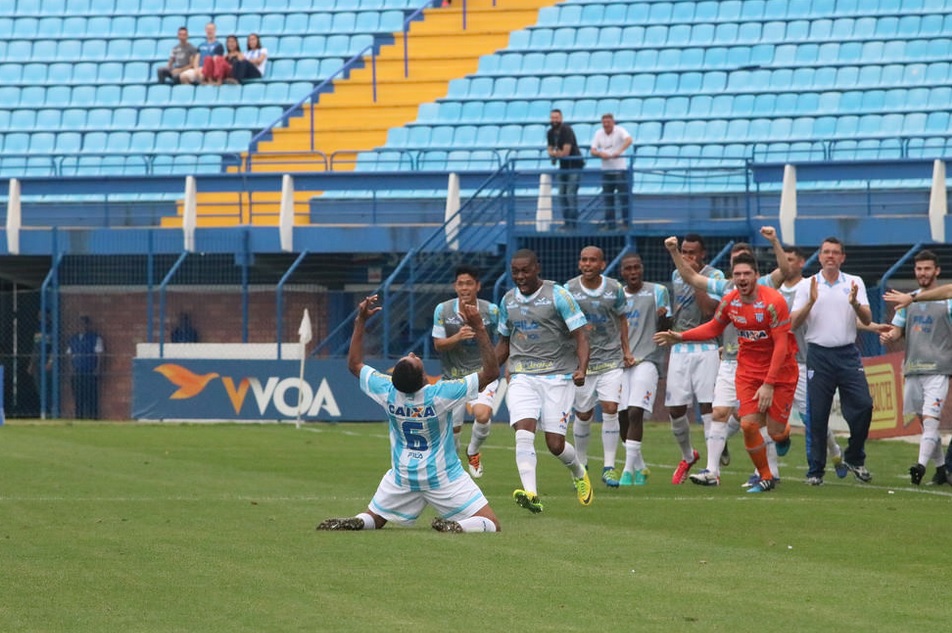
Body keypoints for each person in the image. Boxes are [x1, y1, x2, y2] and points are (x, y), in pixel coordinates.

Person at [318, 294, 501, 533]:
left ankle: (361, 520)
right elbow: (490, 373)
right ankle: (457, 525)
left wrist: (360, 321)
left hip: (403, 476)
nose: (414, 354)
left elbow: (354, 365)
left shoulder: (388, 391)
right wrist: (479, 328)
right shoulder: (441, 394)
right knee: (491, 524)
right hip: (443, 477)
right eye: (414, 359)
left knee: (378, 517)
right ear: (423, 376)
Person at [655, 252, 798, 493]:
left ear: (757, 276)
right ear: (733, 277)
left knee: (773, 430)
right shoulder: (731, 300)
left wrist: (770, 383)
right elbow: (714, 326)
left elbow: (782, 345)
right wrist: (681, 336)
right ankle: (765, 477)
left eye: (747, 274)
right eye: (738, 274)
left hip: (780, 371)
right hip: (747, 370)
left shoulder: (773, 302)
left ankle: (783, 434)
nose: (742, 278)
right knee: (749, 425)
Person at [496, 248, 592, 513]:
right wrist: (488, 373)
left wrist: (582, 368)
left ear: (537, 267)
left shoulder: (558, 295)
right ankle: (531, 493)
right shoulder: (508, 301)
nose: (520, 276)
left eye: (525, 270)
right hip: (522, 375)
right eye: (515, 271)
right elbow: (504, 342)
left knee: (555, 445)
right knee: (523, 431)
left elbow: (581, 336)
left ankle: (578, 471)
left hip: (558, 377)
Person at [791, 237, 874, 485]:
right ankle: (815, 471)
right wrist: (812, 301)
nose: (830, 256)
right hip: (818, 354)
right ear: (819, 256)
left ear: (842, 257)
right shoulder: (807, 285)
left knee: (864, 406)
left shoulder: (854, 282)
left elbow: (867, 320)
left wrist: (855, 303)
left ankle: (855, 457)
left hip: (847, 353)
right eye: (826, 252)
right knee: (817, 415)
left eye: (835, 252)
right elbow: (794, 323)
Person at [880, 251, 951, 486]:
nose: (923, 273)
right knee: (925, 424)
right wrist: (889, 336)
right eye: (919, 269)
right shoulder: (906, 301)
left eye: (927, 268)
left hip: (939, 368)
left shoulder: (946, 298)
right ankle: (941, 469)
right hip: (913, 368)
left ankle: (920, 466)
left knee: (931, 420)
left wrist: (913, 298)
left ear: (937, 271)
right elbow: (898, 331)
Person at [778, 246, 848, 481]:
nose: (785, 265)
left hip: (803, 361)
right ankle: (768, 470)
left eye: (790, 260)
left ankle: (835, 452)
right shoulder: (773, 291)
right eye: (783, 260)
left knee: (812, 418)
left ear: (800, 263)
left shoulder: (811, 287)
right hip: (776, 363)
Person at [565, 246, 629, 487]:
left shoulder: (614, 289)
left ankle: (609, 467)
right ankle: (581, 465)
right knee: (583, 413)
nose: (587, 264)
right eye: (583, 259)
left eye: (592, 260)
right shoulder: (569, 290)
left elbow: (622, 319)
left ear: (603, 264)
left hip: (610, 359)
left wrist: (627, 350)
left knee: (611, 408)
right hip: (582, 363)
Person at [431, 265, 501, 478]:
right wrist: (457, 337)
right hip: (453, 377)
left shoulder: (491, 311)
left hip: (481, 375)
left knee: (482, 414)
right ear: (455, 286)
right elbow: (438, 345)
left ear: (477, 286)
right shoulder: (443, 310)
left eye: (469, 283)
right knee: (452, 434)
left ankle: (474, 451)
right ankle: (455, 459)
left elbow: (501, 342)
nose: (464, 288)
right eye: (460, 283)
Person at [665, 234, 723, 484]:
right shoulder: (676, 274)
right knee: (675, 409)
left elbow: (710, 310)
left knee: (708, 407)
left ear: (703, 254)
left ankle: (712, 469)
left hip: (706, 346)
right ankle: (688, 456)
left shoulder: (716, 276)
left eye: (692, 252)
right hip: (680, 346)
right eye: (684, 252)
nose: (688, 257)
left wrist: (697, 280)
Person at [617, 253, 671, 486]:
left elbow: (667, 327)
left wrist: (664, 318)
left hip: (647, 360)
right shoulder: (616, 295)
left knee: (635, 412)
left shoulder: (658, 291)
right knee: (621, 418)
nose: (633, 272)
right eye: (628, 269)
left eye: (636, 267)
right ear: (622, 272)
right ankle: (641, 467)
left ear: (642, 268)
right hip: (620, 362)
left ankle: (628, 471)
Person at [590, 113, 633, 231]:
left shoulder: (620, 131)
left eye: (608, 122)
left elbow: (629, 140)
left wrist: (619, 151)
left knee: (623, 198)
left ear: (613, 122)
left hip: (619, 170)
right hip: (606, 171)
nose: (606, 125)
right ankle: (610, 224)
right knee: (608, 199)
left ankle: (626, 223)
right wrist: (600, 153)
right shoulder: (599, 133)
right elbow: (592, 150)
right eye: (604, 122)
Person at [546, 109, 583, 230]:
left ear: (561, 118)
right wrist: (556, 153)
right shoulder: (550, 132)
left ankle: (573, 224)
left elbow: (566, 152)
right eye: (552, 118)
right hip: (563, 167)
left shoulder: (567, 130)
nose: (554, 120)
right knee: (561, 195)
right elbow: (549, 149)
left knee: (570, 194)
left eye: (556, 117)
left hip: (574, 165)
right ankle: (567, 222)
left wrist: (555, 154)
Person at [67, 316, 104, 419]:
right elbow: (70, 355)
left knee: (91, 396)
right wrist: (71, 369)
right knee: (78, 397)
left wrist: (97, 369)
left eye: (83, 324)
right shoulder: (73, 339)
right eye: (79, 324)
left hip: (90, 370)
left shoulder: (95, 338)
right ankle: (79, 417)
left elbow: (99, 354)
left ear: (88, 325)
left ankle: (93, 417)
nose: (81, 327)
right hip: (77, 371)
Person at [28, 311, 54, 418]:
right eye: (39, 316)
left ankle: (50, 411)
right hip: (37, 363)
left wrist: (50, 362)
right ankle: (44, 411)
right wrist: (31, 363)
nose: (40, 318)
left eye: (42, 315)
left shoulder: (52, 329)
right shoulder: (38, 330)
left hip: (46, 363)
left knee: (48, 388)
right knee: (40, 388)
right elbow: (35, 349)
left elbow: (55, 347)